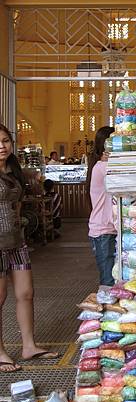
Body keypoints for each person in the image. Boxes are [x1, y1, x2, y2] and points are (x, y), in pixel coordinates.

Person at [0, 124, 58, 372]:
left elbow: (19, 204)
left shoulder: (14, 172)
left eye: (5, 141)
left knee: (26, 293)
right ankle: (0, 351)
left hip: (16, 241)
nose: (2, 146)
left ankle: (28, 346)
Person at [87, 126, 116, 286]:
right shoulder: (102, 167)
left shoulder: (104, 166)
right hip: (104, 231)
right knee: (108, 282)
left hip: (109, 229)